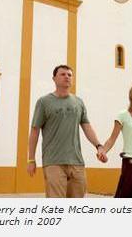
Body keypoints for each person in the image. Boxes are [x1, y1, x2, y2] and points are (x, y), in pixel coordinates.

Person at [27, 64, 107, 198]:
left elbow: (87, 126)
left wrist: (99, 146)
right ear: (54, 78)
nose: (67, 77)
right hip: (53, 162)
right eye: (63, 74)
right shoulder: (44, 102)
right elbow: (34, 131)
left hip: (77, 162)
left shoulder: (78, 102)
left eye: (69, 75)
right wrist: (31, 159)